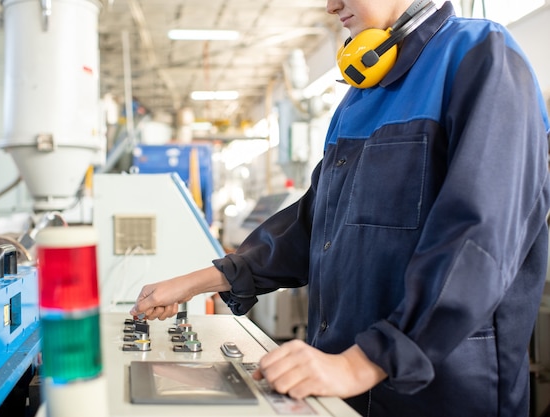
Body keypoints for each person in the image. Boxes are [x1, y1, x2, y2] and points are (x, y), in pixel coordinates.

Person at [131, 1, 550, 415]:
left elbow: (480, 239)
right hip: (339, 385)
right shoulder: (359, 96)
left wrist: (365, 361)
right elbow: (315, 223)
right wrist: (206, 278)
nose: (331, 6)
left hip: (438, 393)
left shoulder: (480, 55)